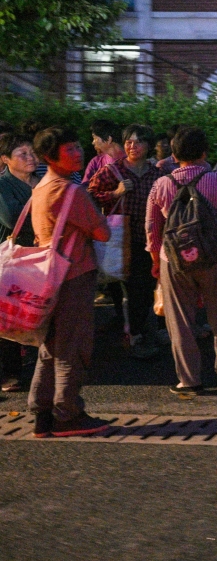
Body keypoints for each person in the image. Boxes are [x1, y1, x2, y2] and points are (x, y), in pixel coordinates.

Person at [28, 127, 111, 437]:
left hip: (47, 277)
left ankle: (42, 415)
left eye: (78, 146)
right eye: (70, 149)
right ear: (50, 157)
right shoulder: (71, 191)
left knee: (50, 346)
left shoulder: (40, 187)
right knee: (72, 347)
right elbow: (103, 232)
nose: (78, 153)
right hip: (74, 275)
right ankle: (67, 415)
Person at [146, 126, 217, 395]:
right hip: (214, 257)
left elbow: (152, 229)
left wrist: (156, 260)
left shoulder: (161, 185)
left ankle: (189, 380)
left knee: (180, 322)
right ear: (205, 153)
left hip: (173, 259)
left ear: (174, 155)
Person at [89, 124, 165, 355]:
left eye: (139, 141)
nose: (133, 146)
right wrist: (115, 193)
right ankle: (134, 335)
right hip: (122, 240)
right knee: (132, 289)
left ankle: (137, 331)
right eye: (128, 142)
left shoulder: (157, 174)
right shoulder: (113, 171)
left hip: (149, 240)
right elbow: (89, 196)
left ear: (149, 145)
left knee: (144, 288)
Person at [0, 132, 39, 392]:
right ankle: (9, 372)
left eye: (32, 152)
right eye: (22, 154)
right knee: (9, 314)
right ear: (5, 159)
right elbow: (12, 218)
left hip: (40, 257)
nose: (30, 157)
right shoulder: (3, 186)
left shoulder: (42, 180)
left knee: (39, 310)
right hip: (11, 259)